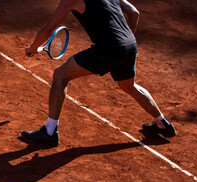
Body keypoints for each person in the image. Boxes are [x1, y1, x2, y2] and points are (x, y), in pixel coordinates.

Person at [22, 0, 176, 146]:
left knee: (60, 75)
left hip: (108, 48)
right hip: (129, 44)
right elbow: (134, 13)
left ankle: (49, 132)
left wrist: (33, 47)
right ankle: (163, 124)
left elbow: (49, 28)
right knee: (129, 86)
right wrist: (124, 41)